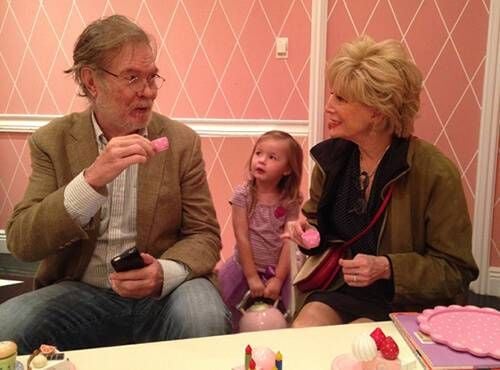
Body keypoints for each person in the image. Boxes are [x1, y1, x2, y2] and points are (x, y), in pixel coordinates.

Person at [0, 15, 230, 354]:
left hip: (166, 293)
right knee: (6, 325)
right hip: (83, 294)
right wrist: (91, 181)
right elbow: (23, 242)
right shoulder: (52, 141)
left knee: (206, 320)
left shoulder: (181, 142)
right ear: (91, 81)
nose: (148, 91)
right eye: (132, 77)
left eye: (152, 77)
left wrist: (163, 274)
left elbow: (205, 235)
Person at [283, 36, 478, 327]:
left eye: (341, 98)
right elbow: (320, 231)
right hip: (342, 288)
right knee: (303, 333)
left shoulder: (434, 172)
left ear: (375, 111)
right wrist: (307, 236)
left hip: (406, 300)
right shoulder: (331, 161)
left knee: (360, 342)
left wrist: (388, 267)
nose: (328, 107)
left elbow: (455, 270)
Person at [218, 130, 303, 331]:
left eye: (272, 157)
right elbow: (242, 237)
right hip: (243, 270)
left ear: (287, 169)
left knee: (284, 317)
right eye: (258, 153)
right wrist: (251, 277)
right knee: (229, 314)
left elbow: (288, 241)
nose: (261, 161)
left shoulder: (290, 200)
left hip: (277, 271)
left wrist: (279, 278)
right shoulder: (243, 195)